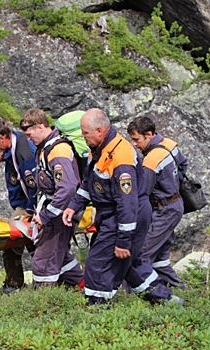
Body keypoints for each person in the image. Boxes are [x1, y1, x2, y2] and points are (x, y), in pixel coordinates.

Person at [62, 108, 183, 306]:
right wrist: (73, 206)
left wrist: (123, 240)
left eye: (85, 133)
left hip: (124, 215)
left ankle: (98, 306)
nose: (82, 137)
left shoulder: (120, 157)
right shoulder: (99, 150)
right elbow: (90, 183)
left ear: (99, 131)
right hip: (114, 213)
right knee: (130, 264)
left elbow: (127, 204)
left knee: (98, 261)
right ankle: (166, 300)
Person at [20, 108, 84, 288]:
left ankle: (43, 304)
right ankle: (85, 287)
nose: (28, 139)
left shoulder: (58, 150)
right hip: (54, 209)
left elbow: (68, 187)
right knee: (60, 255)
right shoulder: (44, 148)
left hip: (60, 214)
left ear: (40, 127)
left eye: (29, 134)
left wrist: (47, 215)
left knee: (43, 262)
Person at [127, 114, 187, 289]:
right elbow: (183, 164)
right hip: (175, 203)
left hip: (163, 210)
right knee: (160, 256)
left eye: (137, 139)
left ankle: (137, 293)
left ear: (149, 134)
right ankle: (178, 287)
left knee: (141, 253)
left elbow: (143, 191)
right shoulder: (170, 144)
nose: (135, 144)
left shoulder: (151, 161)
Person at [0, 118, 38, 294]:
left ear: (3, 137)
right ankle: (16, 281)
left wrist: (30, 210)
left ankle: (22, 283)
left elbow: (33, 185)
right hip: (23, 202)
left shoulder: (23, 152)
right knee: (17, 242)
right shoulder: (13, 144)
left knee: (18, 240)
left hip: (30, 204)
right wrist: (5, 154)